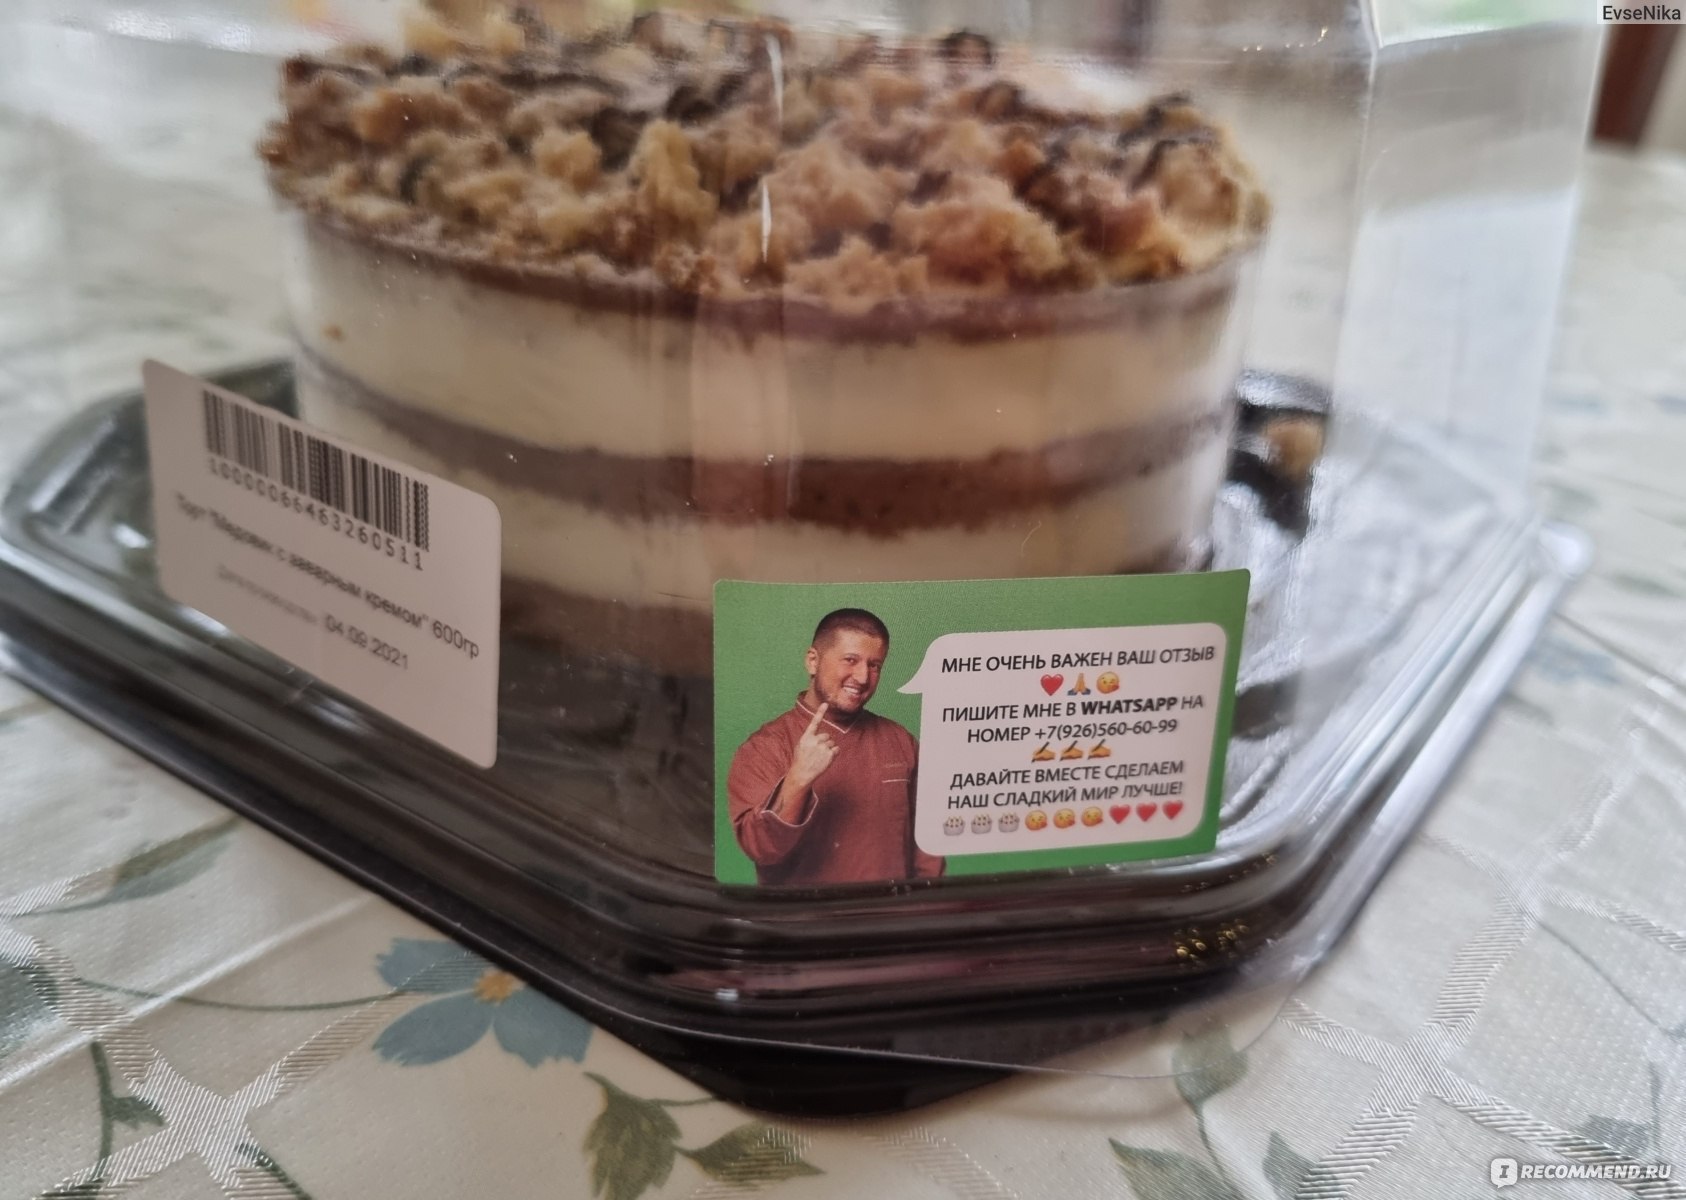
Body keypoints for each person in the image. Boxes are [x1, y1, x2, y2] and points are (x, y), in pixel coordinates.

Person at [728, 608, 945, 886]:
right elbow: (759, 848)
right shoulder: (764, 748)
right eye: (850, 660)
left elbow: (927, 844)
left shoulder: (900, 739)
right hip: (809, 914)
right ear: (813, 661)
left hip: (890, 911)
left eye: (874, 665)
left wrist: (921, 905)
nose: (863, 677)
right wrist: (798, 779)